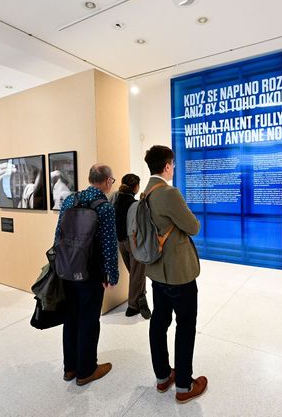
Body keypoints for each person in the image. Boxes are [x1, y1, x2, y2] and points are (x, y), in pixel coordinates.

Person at [143, 145, 207, 403]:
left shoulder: (145, 193)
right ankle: (183, 385)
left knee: (159, 322)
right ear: (167, 166)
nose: (174, 168)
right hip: (178, 274)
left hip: (157, 271)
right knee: (185, 326)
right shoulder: (169, 193)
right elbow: (193, 226)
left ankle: (162, 377)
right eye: (173, 164)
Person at [55, 163, 118, 386]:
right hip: (91, 273)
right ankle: (87, 370)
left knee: (70, 317)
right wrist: (112, 275)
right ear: (108, 181)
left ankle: (70, 368)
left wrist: (59, 265)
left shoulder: (70, 200)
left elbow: (58, 236)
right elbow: (109, 245)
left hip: (67, 269)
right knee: (89, 320)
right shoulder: (105, 207)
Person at [112, 173, 151, 319]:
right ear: (135, 187)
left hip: (120, 242)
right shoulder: (135, 204)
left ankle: (141, 299)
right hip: (134, 242)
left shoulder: (115, 199)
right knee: (137, 274)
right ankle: (133, 306)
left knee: (136, 274)